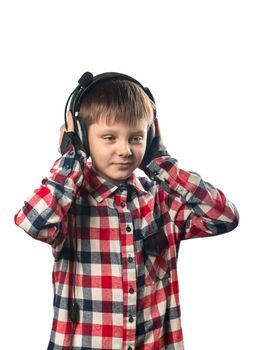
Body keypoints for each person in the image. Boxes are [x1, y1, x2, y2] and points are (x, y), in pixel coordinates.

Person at [14, 72, 239, 350]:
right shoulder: (68, 203)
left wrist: (162, 163)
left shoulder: (162, 202)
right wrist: (71, 159)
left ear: (151, 136)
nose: (124, 150)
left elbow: (225, 217)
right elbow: (32, 222)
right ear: (83, 138)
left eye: (136, 138)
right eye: (109, 137)